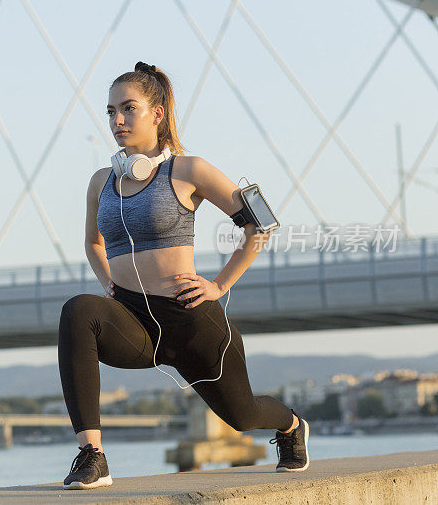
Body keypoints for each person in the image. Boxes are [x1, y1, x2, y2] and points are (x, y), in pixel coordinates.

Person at [58, 61, 309, 490]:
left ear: (156, 114)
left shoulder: (189, 171)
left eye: (128, 108)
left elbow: (260, 224)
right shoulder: (101, 182)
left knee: (242, 415)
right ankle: (92, 456)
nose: (117, 120)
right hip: (134, 322)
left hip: (191, 316)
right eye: (110, 111)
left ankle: (291, 426)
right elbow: (93, 243)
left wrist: (219, 284)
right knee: (78, 311)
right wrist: (107, 284)